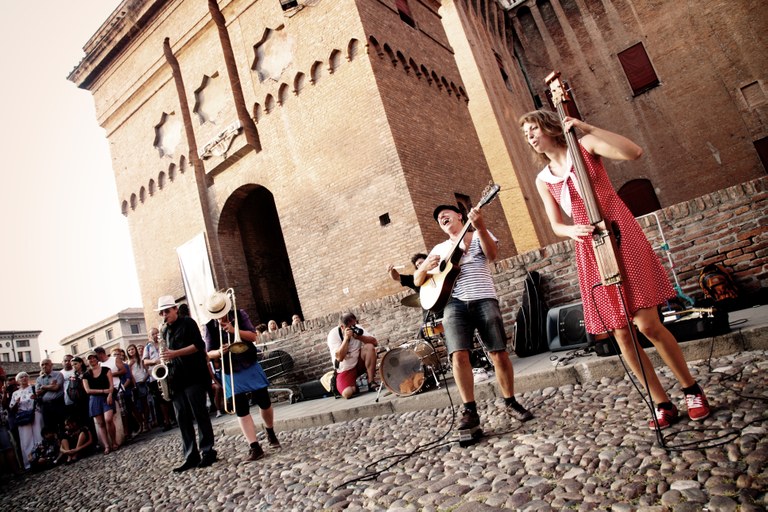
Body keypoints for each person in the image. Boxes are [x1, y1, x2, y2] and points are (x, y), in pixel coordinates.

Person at [519, 109, 711, 429]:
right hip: (590, 248)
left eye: (533, 128)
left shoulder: (587, 146)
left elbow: (633, 152)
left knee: (647, 324)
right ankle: (662, 402)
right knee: (621, 332)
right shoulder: (544, 179)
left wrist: (585, 127)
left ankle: (692, 389)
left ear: (550, 127)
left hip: (620, 232)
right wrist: (572, 231)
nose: (530, 136)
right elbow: (555, 224)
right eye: (526, 134)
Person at [414, 204, 533, 434]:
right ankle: (470, 410)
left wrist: (481, 227)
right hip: (454, 304)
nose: (441, 217)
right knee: (458, 355)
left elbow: (492, 255)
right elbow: (419, 280)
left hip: (484, 298)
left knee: (498, 352)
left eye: (445, 213)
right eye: (438, 218)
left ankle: (510, 402)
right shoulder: (439, 248)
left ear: (460, 215)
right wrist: (425, 268)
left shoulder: (479, 234)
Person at [204, 291, 281, 462]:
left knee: (264, 402)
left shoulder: (239, 314)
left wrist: (233, 330)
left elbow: (254, 336)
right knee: (241, 409)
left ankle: (269, 430)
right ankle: (254, 446)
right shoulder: (209, 326)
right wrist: (219, 351)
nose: (219, 318)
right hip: (230, 370)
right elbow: (208, 353)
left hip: (249, 363)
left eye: (221, 313)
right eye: (216, 315)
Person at [155, 295, 217, 472]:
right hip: (175, 378)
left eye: (167, 311)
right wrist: (165, 357)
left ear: (175, 309)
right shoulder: (165, 330)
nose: (164, 315)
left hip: (193, 375)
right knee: (182, 417)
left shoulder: (188, 323)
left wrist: (175, 353)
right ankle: (190, 455)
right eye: (162, 312)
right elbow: (167, 353)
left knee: (199, 414)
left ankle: (208, 451)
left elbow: (199, 345)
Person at [327, 312, 379, 399]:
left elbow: (375, 342)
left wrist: (359, 337)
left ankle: (371, 382)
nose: (354, 327)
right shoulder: (333, 335)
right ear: (342, 327)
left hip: (358, 364)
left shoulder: (357, 328)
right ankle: (353, 386)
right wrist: (346, 339)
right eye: (351, 326)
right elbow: (340, 357)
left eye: (355, 324)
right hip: (345, 369)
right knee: (347, 393)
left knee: (369, 347)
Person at [82, 351, 117, 454]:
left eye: (93, 358)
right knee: (101, 423)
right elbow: (88, 390)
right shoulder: (86, 375)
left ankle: (114, 441)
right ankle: (106, 446)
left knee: (108, 419)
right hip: (95, 399)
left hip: (107, 397)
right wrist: (102, 391)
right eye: (90, 358)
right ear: (87, 361)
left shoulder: (106, 370)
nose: (92, 360)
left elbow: (111, 385)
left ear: (96, 358)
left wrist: (109, 394)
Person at [8, 372, 43, 470]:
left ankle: (42, 458)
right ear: (18, 380)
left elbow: (41, 400)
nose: (23, 378)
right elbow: (11, 409)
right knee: (26, 439)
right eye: (21, 377)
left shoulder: (33, 388)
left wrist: (36, 398)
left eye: (25, 377)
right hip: (23, 417)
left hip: (35, 413)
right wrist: (16, 403)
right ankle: (29, 462)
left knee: (38, 435)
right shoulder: (15, 393)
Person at [143, 327, 174, 431]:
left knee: (173, 394)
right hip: (156, 375)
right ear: (149, 336)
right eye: (153, 334)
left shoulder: (164, 342)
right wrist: (155, 361)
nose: (156, 335)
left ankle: (177, 417)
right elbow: (145, 362)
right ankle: (167, 421)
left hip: (168, 370)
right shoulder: (147, 347)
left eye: (157, 333)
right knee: (161, 400)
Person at [35, 358, 66, 434]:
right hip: (45, 406)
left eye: (46, 364)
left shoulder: (58, 374)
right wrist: (50, 386)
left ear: (51, 365)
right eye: (42, 365)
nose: (44, 366)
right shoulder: (39, 379)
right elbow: (38, 392)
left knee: (61, 426)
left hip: (58, 404)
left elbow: (56, 388)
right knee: (49, 428)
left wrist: (43, 387)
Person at [126, 344, 150, 433]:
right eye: (129, 350)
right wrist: (133, 384)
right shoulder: (129, 362)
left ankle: (146, 423)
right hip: (134, 385)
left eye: (132, 349)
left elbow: (147, 370)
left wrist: (145, 378)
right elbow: (130, 375)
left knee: (145, 404)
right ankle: (142, 423)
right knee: (136, 406)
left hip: (142, 382)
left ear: (135, 349)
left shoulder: (141, 360)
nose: (131, 351)